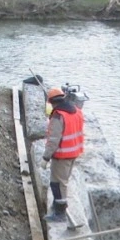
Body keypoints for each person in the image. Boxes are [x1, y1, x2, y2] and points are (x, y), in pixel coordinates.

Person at [42, 87, 85, 222]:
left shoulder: (58, 116)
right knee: (63, 182)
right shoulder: (76, 111)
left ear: (51, 102)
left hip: (62, 155)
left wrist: (45, 157)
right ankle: (57, 206)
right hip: (74, 152)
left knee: (57, 184)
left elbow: (53, 140)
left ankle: (60, 213)